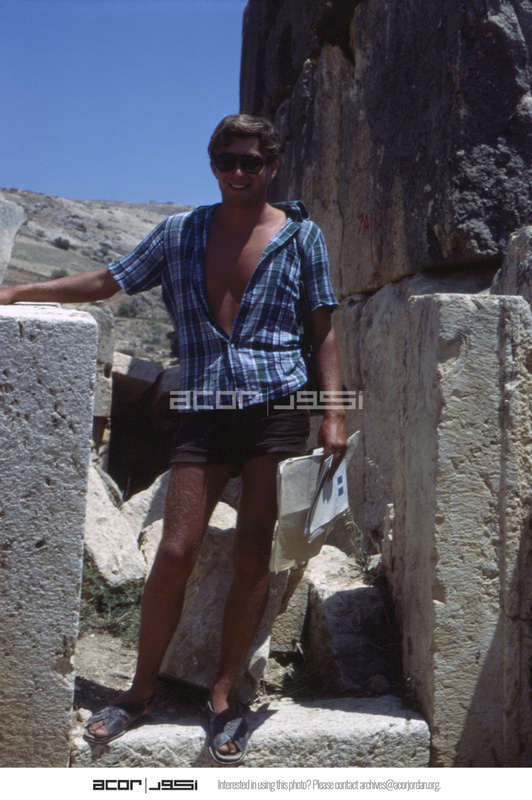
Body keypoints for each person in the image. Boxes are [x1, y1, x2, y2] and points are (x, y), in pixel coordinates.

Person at [0, 114, 347, 764]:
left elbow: (322, 324)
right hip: (205, 404)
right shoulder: (179, 232)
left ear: (272, 166)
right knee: (175, 549)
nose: (237, 172)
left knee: (254, 554)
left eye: (250, 161)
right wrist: (17, 291)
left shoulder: (301, 236)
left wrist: (335, 413)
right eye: (226, 161)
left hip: (275, 404)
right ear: (212, 165)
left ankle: (224, 697)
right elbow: (108, 281)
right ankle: (139, 692)